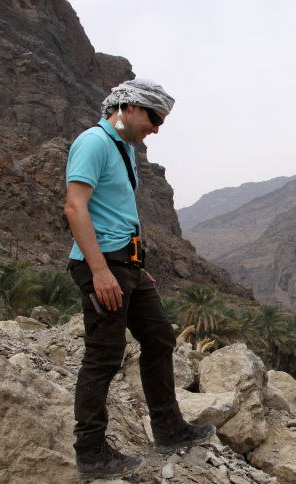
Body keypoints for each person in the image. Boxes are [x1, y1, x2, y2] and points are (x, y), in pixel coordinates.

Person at [64, 79, 215, 480]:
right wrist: (99, 271)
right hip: (102, 266)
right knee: (104, 356)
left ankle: (169, 429)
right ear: (129, 107)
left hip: (127, 265)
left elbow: (115, 211)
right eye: (154, 117)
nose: (157, 127)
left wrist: (135, 263)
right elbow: (75, 208)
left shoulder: (125, 149)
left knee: (161, 339)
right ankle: (91, 454)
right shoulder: (94, 142)